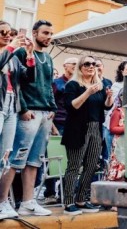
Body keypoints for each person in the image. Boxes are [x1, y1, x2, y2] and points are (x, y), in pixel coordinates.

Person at [0, 20, 56, 218]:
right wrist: (23, 108)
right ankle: (2, 201)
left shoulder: (47, 58)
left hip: (44, 112)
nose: (49, 37)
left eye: (51, 33)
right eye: (45, 33)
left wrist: (53, 108)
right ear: (34, 33)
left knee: (34, 161)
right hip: (25, 110)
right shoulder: (18, 52)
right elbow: (20, 85)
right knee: (15, 158)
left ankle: (27, 202)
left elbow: (43, 83)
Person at [62, 55, 113, 215]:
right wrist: (87, 92)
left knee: (91, 165)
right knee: (74, 166)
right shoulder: (73, 84)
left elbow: (105, 107)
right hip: (77, 129)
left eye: (94, 64)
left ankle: (81, 199)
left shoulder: (98, 85)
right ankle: (68, 202)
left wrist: (109, 97)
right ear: (80, 67)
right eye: (87, 64)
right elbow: (72, 106)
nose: (91, 66)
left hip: (95, 128)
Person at [0, 22, 35, 219]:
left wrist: (29, 54)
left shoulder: (12, 57)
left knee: (5, 155)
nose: (7, 35)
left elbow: (28, 78)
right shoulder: (7, 52)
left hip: (11, 106)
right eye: (3, 32)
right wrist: (12, 46)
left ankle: (1, 202)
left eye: (10, 32)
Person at [43, 56, 78, 204]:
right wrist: (52, 126)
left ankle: (65, 193)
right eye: (74, 64)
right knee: (53, 158)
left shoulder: (78, 83)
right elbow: (49, 105)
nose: (76, 66)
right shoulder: (56, 83)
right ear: (65, 66)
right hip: (58, 124)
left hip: (74, 125)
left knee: (71, 160)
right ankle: (50, 193)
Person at [102, 60, 127, 167]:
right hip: (114, 124)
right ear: (122, 71)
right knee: (114, 157)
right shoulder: (117, 85)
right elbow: (110, 105)